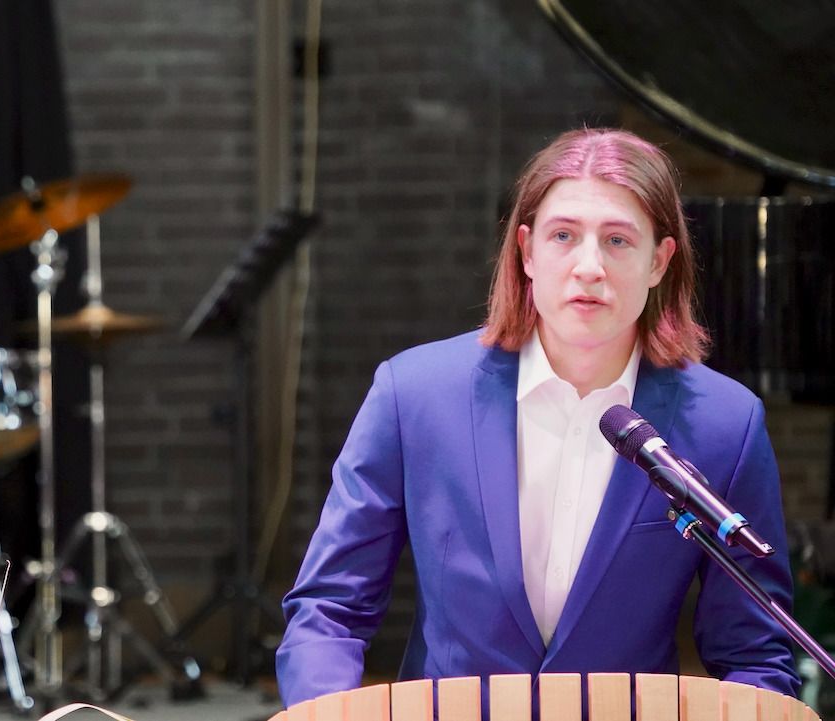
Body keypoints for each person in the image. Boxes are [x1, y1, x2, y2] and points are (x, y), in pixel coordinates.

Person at [276, 128, 800, 707]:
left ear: (659, 261)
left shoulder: (726, 424)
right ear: (527, 252)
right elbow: (330, 607)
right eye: (563, 236)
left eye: (618, 240)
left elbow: (755, 654)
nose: (589, 266)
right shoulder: (415, 395)